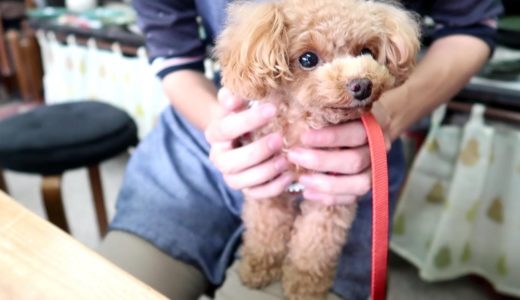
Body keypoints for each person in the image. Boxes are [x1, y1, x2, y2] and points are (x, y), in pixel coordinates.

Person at [97, 0, 503, 299]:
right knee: (107, 285)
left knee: (304, 281)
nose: (356, 75)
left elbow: (472, 24)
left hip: (351, 157)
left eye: (364, 52)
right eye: (309, 57)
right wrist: (220, 127)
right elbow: (173, 50)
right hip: (201, 133)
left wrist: (391, 117)